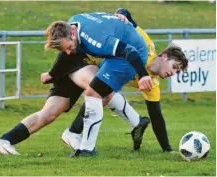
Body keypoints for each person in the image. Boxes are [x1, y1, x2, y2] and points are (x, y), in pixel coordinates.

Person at [0, 12, 150, 155]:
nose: (67, 51)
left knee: (54, 111)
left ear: (72, 33)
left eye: (68, 47)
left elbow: (126, 47)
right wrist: (52, 74)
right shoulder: (74, 35)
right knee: (97, 92)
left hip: (77, 65)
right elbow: (67, 55)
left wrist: (143, 75)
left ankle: (5, 141)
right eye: (63, 50)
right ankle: (6, 141)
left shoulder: (89, 34)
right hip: (77, 65)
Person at [45, 11, 188, 157]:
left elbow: (157, 116)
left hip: (115, 59)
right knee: (97, 93)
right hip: (112, 57)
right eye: (175, 67)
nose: (173, 73)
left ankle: (82, 143)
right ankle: (132, 123)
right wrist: (121, 13)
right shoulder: (146, 43)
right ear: (164, 57)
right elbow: (128, 22)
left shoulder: (153, 85)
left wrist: (167, 149)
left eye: (177, 72)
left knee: (96, 93)